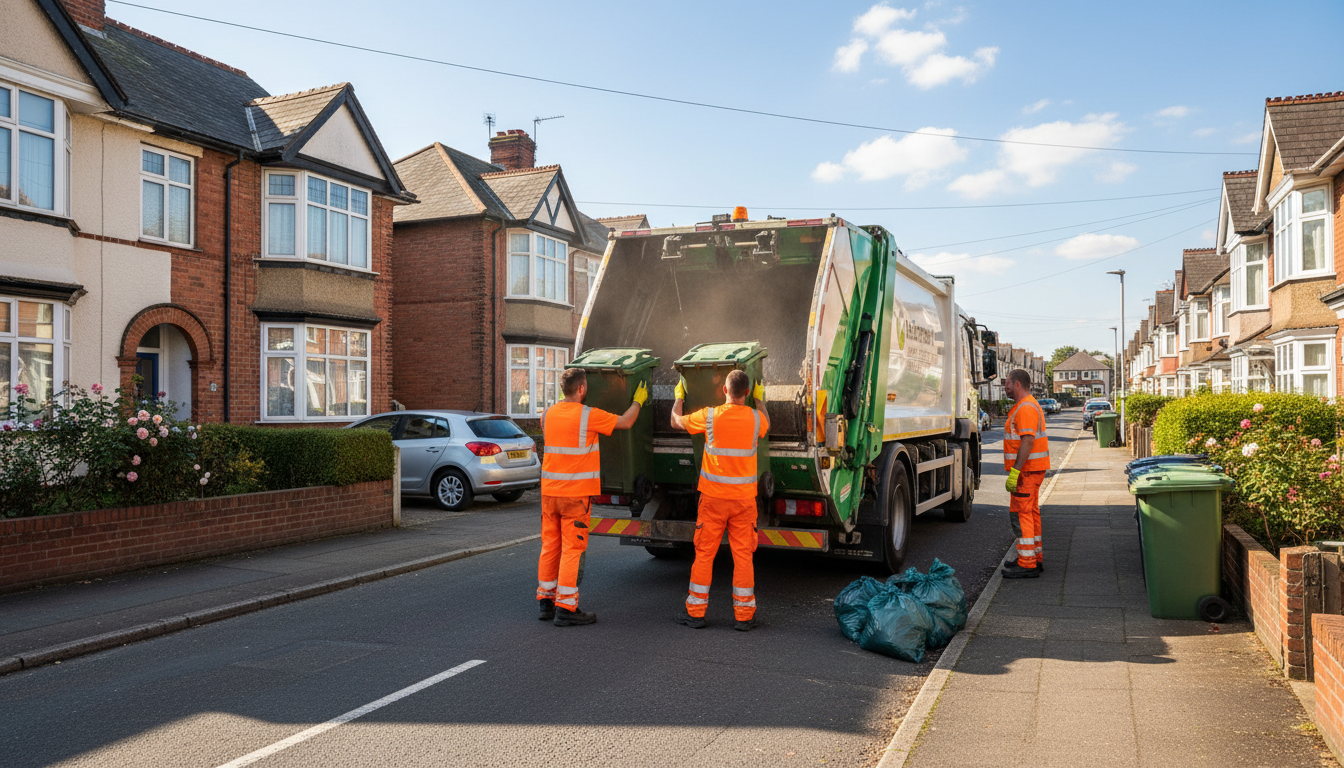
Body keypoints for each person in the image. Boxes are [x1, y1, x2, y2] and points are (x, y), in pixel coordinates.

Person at [537, 368, 647, 626]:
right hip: (574, 496)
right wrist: (638, 400)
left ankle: (545, 602)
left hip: (548, 494)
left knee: (550, 546)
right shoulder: (587, 415)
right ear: (582, 389)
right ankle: (566, 608)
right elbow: (626, 422)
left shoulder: (547, 415)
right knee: (572, 549)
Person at [670, 369, 770, 631]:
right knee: (743, 556)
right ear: (747, 393)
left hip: (713, 499)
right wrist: (760, 400)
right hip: (743, 502)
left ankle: (696, 613)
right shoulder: (755, 418)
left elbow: (675, 422)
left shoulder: (710, 416)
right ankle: (744, 616)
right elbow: (766, 421)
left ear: (724, 390)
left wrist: (679, 397)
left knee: (704, 554)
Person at [1001, 368, 1050, 579]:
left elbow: (1028, 440)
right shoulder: (1025, 406)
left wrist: (1015, 472)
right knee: (1030, 513)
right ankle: (1032, 558)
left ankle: (1027, 563)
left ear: (1017, 384)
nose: (1006, 389)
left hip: (1027, 472)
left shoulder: (1026, 408)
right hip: (1031, 470)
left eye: (1007, 385)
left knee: (1022, 515)